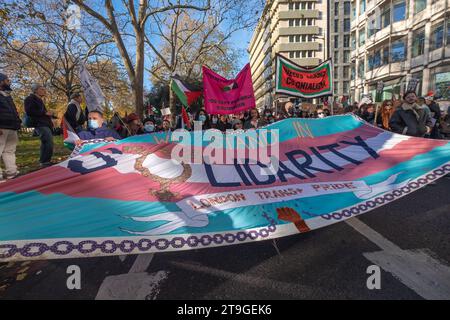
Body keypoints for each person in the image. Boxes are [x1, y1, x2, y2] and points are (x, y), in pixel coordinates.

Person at [24, 84, 55, 167]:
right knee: (47, 142)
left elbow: (42, 113)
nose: (44, 91)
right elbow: (29, 111)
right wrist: (45, 113)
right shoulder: (29, 99)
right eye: (42, 89)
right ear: (35, 90)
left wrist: (51, 115)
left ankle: (45, 161)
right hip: (39, 124)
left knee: (46, 142)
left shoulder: (40, 100)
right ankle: (44, 162)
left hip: (44, 123)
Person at [0, 73, 21, 182]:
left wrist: (17, 123)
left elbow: (13, 111)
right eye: (7, 80)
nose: (9, 82)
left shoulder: (7, 95)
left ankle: (11, 172)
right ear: (1, 82)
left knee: (9, 150)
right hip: (2, 127)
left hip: (12, 127)